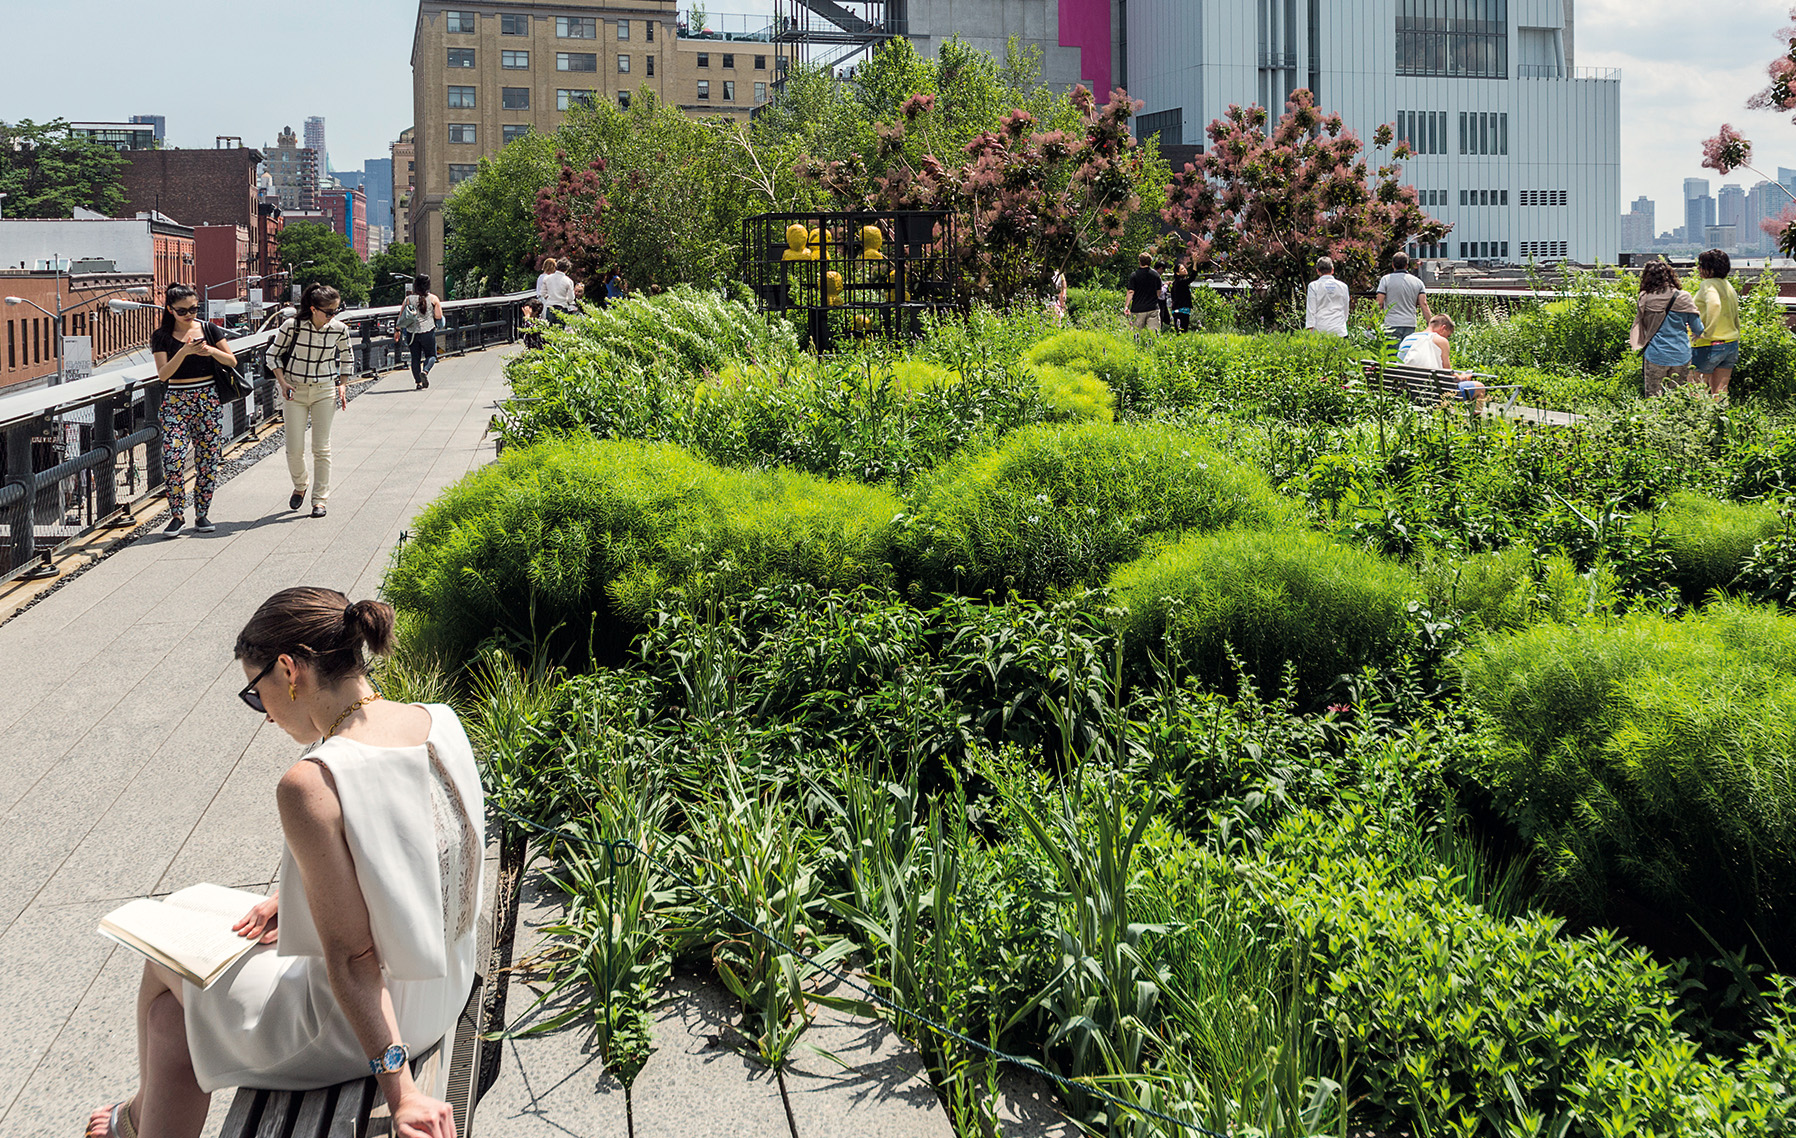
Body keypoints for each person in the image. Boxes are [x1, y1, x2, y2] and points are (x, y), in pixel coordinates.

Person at [85, 588, 481, 1138]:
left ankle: (139, 1112)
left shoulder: (313, 781)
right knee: (171, 1016)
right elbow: (419, 863)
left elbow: (353, 961)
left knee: (164, 964)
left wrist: (403, 1091)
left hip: (368, 1025)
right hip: (444, 984)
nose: (265, 716)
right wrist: (299, 900)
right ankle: (138, 1117)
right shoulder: (435, 720)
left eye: (256, 693)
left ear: (290, 669)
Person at [149, 284, 237, 536]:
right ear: (170, 310)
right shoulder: (162, 336)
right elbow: (163, 374)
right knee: (173, 459)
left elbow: (232, 361)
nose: (189, 314)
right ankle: (177, 514)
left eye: (194, 308)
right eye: (182, 310)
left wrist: (209, 350)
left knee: (208, 459)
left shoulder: (209, 329)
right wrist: (185, 352)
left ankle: (202, 514)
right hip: (176, 400)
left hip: (207, 398)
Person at [270, 284, 353, 518]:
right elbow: (273, 355)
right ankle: (300, 485)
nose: (333, 316)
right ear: (314, 309)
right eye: (329, 312)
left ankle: (320, 500)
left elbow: (347, 358)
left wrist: (343, 384)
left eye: (337, 310)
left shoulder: (338, 329)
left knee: (321, 448)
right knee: (294, 448)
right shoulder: (292, 326)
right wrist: (282, 383)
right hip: (294, 391)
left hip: (324, 390)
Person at [1630, 259, 1703, 397]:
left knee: (1653, 399)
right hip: (1681, 355)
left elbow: (1643, 327)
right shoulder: (1684, 297)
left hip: (1655, 355)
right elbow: (1698, 328)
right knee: (1676, 400)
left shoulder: (1645, 298)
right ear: (1670, 275)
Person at [1399, 314, 1487, 408]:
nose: (1446, 338)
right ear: (1443, 328)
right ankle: (1475, 421)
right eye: (1447, 335)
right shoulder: (1440, 340)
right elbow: (1448, 376)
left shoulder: (1407, 339)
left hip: (1408, 391)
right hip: (1433, 393)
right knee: (1479, 387)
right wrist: (1463, 378)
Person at [1691, 248, 1741, 398]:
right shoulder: (1728, 286)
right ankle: (1720, 420)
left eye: (1701, 265)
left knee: (1695, 390)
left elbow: (1715, 305)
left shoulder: (1708, 285)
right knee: (1720, 392)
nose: (1698, 268)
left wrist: (1705, 333)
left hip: (1709, 344)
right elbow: (1735, 314)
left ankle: (1698, 421)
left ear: (1710, 269)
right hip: (1731, 343)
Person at [395, 276, 444, 391]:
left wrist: (397, 330)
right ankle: (425, 371)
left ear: (415, 285)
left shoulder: (408, 299)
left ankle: (418, 383)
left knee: (415, 358)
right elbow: (438, 316)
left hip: (412, 333)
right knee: (431, 355)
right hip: (428, 331)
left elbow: (401, 316)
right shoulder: (433, 299)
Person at [1376, 252, 1432, 351]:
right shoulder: (1418, 282)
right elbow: (1424, 304)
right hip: (1410, 324)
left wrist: (1372, 321)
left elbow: (1379, 303)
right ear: (1407, 265)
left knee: (1392, 356)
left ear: (1392, 264)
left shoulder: (1385, 280)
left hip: (1391, 324)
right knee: (1406, 355)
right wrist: (1431, 324)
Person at [1305, 255, 1351, 338]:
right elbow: (1346, 309)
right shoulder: (1343, 286)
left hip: (1321, 331)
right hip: (1340, 330)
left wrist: (1310, 332)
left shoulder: (1313, 286)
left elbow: (1311, 311)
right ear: (1332, 270)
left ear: (1318, 271)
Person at [1123, 252, 1163, 334]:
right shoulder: (1156, 275)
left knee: (1137, 334)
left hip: (1138, 309)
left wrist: (1126, 306)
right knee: (1154, 334)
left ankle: (1138, 346)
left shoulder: (1134, 275)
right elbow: (1159, 292)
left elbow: (1130, 292)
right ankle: (1155, 346)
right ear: (1150, 262)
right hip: (1153, 308)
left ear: (1139, 262)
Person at [542, 258, 577, 323]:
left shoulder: (547, 278)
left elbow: (543, 293)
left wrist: (549, 297)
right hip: (562, 306)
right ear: (566, 269)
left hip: (550, 306)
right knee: (560, 330)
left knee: (550, 330)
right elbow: (571, 298)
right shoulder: (568, 281)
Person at [1168, 263, 1194, 332]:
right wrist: (1195, 263)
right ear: (1177, 273)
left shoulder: (1175, 283)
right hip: (1182, 311)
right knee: (1182, 331)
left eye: (1184, 268)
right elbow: (1192, 278)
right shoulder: (1180, 282)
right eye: (1182, 269)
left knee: (1179, 332)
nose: (1185, 270)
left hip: (1177, 310)